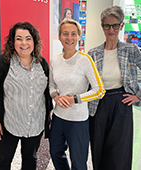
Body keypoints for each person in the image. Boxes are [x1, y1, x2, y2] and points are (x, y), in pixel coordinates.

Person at [88, 5, 141, 170]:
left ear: (121, 26)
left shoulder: (131, 50)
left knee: (119, 154)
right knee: (98, 150)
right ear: (102, 26)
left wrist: (139, 96)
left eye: (115, 25)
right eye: (107, 25)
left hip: (121, 104)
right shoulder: (93, 53)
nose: (111, 29)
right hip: (98, 105)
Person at [0, 22, 53, 170]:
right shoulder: (2, 63)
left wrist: (48, 116)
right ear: (13, 42)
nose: (24, 43)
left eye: (28, 38)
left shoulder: (42, 64)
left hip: (35, 124)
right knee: (3, 161)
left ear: (34, 41)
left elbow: (45, 92)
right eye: (19, 38)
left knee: (30, 159)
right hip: (8, 124)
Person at [49, 18, 105, 170]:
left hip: (78, 120)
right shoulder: (54, 60)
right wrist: (56, 96)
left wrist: (75, 99)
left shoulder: (85, 60)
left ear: (79, 37)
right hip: (58, 118)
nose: (69, 38)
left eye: (73, 34)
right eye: (65, 34)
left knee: (79, 161)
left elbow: (100, 90)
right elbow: (52, 85)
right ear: (59, 37)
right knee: (55, 152)